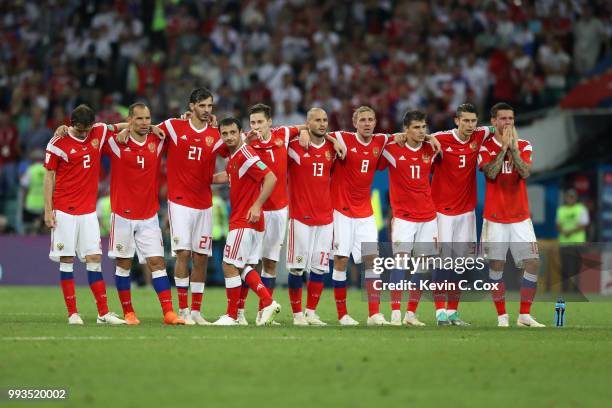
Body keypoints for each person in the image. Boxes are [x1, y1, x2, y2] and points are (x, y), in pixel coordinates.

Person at [103, 103, 184, 325]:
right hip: (122, 215)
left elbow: (183, 124)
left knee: (157, 262)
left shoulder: (158, 140)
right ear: (130, 120)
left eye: (148, 118)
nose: (145, 123)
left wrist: (159, 126)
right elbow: (94, 132)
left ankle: (168, 313)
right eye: (139, 119)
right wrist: (120, 128)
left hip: (149, 215)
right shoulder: (115, 142)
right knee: (123, 264)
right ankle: (128, 312)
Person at [43, 104, 125, 325]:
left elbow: (124, 126)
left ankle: (103, 313)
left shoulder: (98, 131)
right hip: (64, 210)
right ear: (71, 125)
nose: (85, 134)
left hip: (88, 211)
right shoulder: (57, 143)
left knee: (95, 258)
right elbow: (49, 177)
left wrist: (151, 127)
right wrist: (48, 211)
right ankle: (73, 313)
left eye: (88, 129)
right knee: (67, 259)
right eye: (80, 130)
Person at [156, 87, 227, 325]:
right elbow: (145, 129)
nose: (207, 110)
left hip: (204, 203)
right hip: (179, 202)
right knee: (183, 253)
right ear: (192, 106)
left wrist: (221, 177)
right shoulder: (174, 127)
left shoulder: (216, 134)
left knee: (201, 257)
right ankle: (183, 309)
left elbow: (238, 148)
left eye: (210, 106)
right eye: (203, 106)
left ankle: (196, 311)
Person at [236, 103, 306, 325]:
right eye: (253, 122)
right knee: (249, 261)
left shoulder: (282, 134)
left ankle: (262, 312)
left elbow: (309, 125)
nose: (255, 127)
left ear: (269, 122)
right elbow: (227, 150)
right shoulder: (246, 140)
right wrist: (244, 143)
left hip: (279, 210)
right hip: (256, 208)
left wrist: (304, 132)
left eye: (260, 122)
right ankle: (238, 312)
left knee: (271, 263)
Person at [479, 102, 544, 327]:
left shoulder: (524, 145)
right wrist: (503, 148)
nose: (507, 122)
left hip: (520, 216)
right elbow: (492, 172)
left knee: (533, 262)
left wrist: (513, 148)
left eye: (510, 119)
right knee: (496, 265)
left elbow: (525, 172)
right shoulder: (485, 147)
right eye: (503, 118)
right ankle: (502, 316)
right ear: (494, 122)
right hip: (495, 217)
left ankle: (524, 315)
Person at [430, 103, 494, 326]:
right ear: (456, 120)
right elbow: (418, 136)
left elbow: (498, 126)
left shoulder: (480, 134)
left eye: (473, 121)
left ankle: (452, 313)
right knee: (443, 263)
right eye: (465, 120)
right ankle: (439, 312)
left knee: (462, 265)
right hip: (442, 212)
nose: (469, 125)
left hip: (467, 213)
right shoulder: (440, 138)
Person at [213, 117, 281, 326]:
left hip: (245, 218)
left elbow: (271, 178)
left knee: (229, 264)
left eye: (233, 132)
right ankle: (254, 308)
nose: (229, 137)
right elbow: (228, 177)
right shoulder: (235, 157)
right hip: (249, 221)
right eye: (224, 134)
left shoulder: (245, 154)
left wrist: (257, 205)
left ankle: (233, 314)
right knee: (242, 267)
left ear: (240, 132)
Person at [328, 106, 391, 326]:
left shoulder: (381, 141)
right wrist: (332, 141)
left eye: (370, 119)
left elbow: (405, 136)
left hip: (365, 212)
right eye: (362, 120)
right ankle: (342, 314)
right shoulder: (342, 138)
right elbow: (314, 130)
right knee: (341, 260)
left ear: (375, 122)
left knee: (372, 260)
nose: (367, 123)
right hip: (342, 211)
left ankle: (374, 313)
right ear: (354, 123)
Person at [377, 110, 438, 326]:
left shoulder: (431, 148)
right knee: (400, 262)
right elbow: (373, 149)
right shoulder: (393, 149)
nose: (422, 131)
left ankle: (410, 314)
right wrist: (394, 136)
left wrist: (433, 138)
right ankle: (395, 312)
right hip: (404, 216)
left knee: (422, 265)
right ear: (406, 129)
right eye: (416, 127)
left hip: (428, 216)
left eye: (424, 127)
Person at [285, 107, 336, 326]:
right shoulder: (294, 147)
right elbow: (277, 134)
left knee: (319, 267)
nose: (322, 124)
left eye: (325, 120)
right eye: (317, 120)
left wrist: (335, 141)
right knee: (296, 267)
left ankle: (311, 313)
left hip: (325, 217)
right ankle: (297, 315)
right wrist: (301, 131)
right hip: (300, 217)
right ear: (308, 122)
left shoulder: (333, 149)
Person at [556, 188, 589, 292]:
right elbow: (557, 224)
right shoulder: (561, 210)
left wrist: (569, 232)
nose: (570, 199)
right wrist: (563, 231)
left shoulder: (581, 208)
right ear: (565, 198)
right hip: (564, 243)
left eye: (572, 197)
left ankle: (576, 290)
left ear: (575, 198)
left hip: (577, 242)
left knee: (577, 268)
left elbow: (584, 224)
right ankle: (565, 290)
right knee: (565, 268)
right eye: (569, 197)